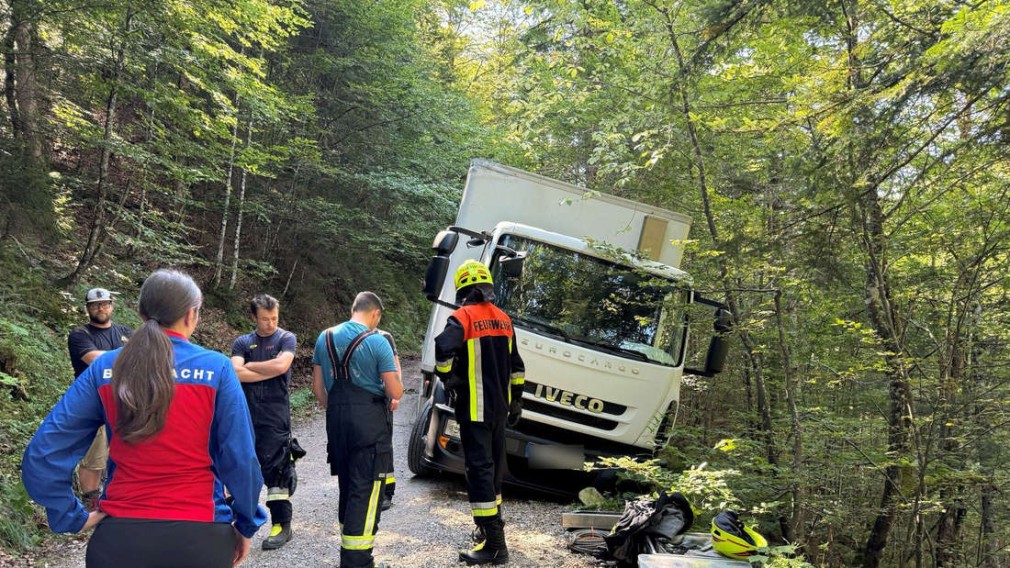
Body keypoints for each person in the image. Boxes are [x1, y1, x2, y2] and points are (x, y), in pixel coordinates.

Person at [23, 269, 266, 567]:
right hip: (201, 536)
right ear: (192, 315)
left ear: (140, 312)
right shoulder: (216, 369)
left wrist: (68, 516)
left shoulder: (106, 369)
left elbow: (44, 453)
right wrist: (245, 523)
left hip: (119, 540)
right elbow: (241, 458)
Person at [434, 260, 525, 566]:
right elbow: (517, 367)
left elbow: (442, 350)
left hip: (475, 409)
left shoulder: (462, 318)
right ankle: (489, 531)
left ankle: (496, 545)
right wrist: (516, 402)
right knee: (495, 468)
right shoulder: (504, 319)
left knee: (479, 471)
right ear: (488, 287)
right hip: (500, 409)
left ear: (463, 290)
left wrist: (448, 378)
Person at [312, 291, 402, 568]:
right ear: (375, 314)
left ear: (354, 309)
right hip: (369, 425)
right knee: (367, 489)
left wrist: (339, 407)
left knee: (347, 486)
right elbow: (395, 389)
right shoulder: (377, 341)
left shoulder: (324, 338)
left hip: (336, 422)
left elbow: (318, 390)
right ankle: (357, 561)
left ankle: (350, 553)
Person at [231, 294, 298, 550]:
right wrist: (265, 369)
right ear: (253, 317)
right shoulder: (242, 341)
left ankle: (282, 524)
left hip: (275, 413)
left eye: (274, 318)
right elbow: (234, 371)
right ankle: (236, 525)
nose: (270, 324)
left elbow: (282, 366)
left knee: (277, 470)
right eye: (264, 319)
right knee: (242, 468)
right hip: (245, 412)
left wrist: (251, 367)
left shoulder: (286, 338)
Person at [66, 288, 133, 506]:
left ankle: (122, 499)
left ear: (112, 306)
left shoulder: (126, 332)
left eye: (104, 303)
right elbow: (96, 360)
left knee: (128, 453)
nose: (100, 308)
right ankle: (92, 503)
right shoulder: (80, 335)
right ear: (88, 309)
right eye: (95, 305)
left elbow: (145, 359)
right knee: (94, 458)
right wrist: (132, 355)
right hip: (93, 405)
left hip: (125, 402)